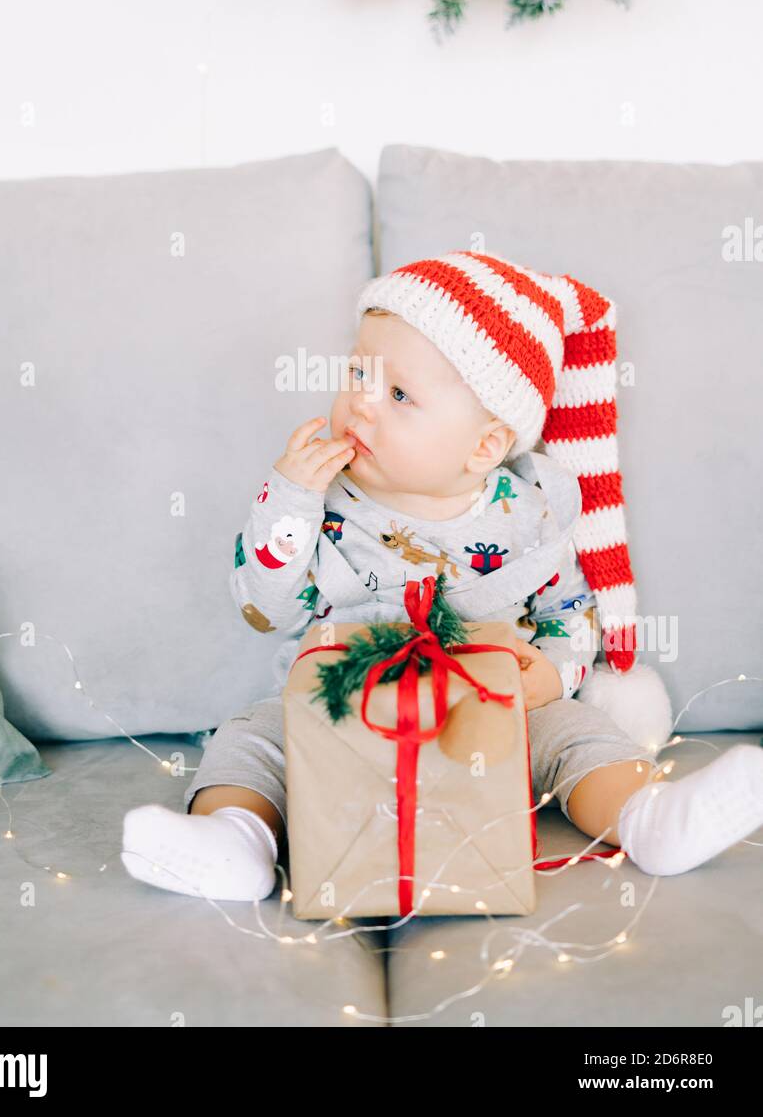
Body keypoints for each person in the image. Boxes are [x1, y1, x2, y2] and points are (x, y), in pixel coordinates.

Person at [121, 250, 763, 901]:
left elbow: (568, 612)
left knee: (578, 732)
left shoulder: (529, 515)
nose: (361, 406)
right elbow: (265, 610)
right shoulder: (325, 502)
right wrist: (286, 501)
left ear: (484, 446)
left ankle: (645, 818)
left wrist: (553, 674)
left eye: (398, 394)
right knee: (252, 736)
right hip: (342, 706)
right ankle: (236, 840)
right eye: (358, 375)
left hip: (487, 720)